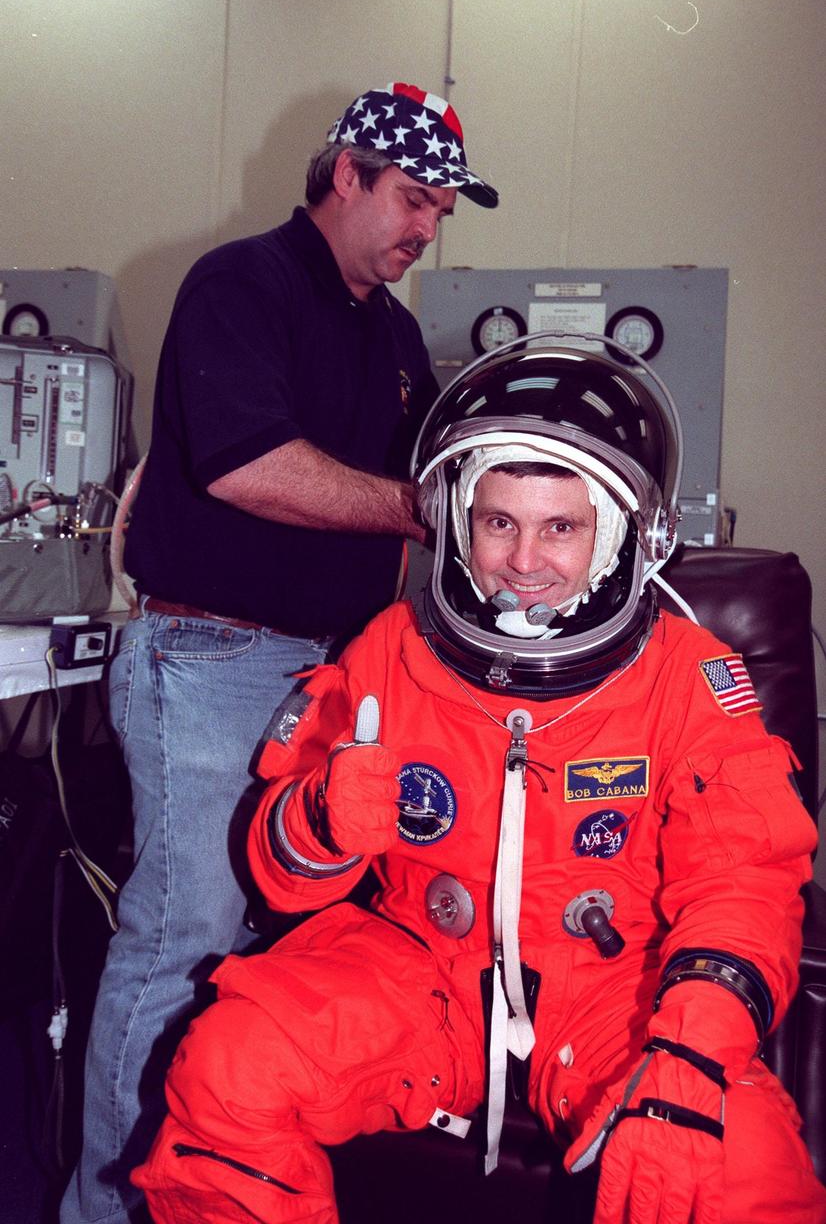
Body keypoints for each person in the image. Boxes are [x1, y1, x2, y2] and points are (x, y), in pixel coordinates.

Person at [133, 342, 826, 1223]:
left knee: (737, 1172)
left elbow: (744, 880)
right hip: (420, 966)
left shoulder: (686, 675)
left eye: (561, 528)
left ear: (618, 534)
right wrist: (320, 820)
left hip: (620, 988)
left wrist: (691, 1054)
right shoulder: (392, 648)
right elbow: (278, 872)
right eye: (500, 522)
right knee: (228, 1070)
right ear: (461, 521)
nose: (523, 561)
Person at [60, 81, 498, 1224]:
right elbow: (249, 464)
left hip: (330, 677)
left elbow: (442, 486)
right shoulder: (240, 285)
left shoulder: (395, 335)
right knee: (184, 935)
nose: (425, 228)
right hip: (210, 659)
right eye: (411, 198)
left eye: (443, 209)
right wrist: (420, 507)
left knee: (301, 951)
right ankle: (105, 1208)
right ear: (343, 174)